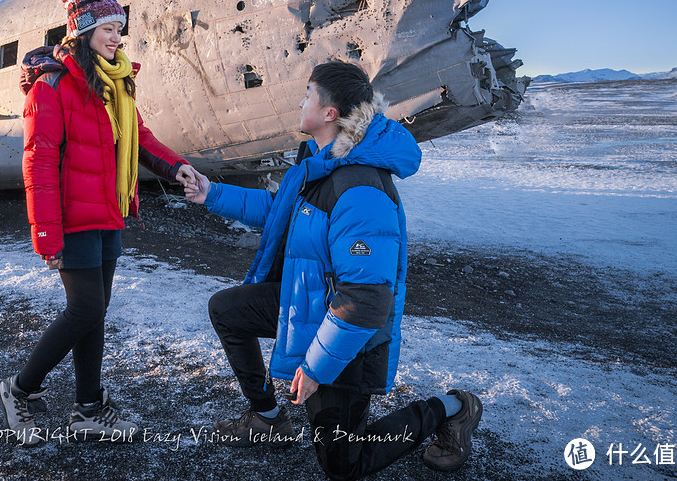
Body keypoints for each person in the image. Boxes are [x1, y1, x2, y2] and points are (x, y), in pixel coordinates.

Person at [183, 60, 482, 479]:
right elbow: (279, 212)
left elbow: (364, 300)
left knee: (344, 466)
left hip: (349, 338)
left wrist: (316, 368)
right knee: (228, 310)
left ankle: (453, 408)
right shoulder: (323, 164)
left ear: (329, 114)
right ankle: (268, 418)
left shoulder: (359, 187)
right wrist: (210, 192)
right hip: (311, 308)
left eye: (308, 93)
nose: (300, 101)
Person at [0, 0, 197, 446]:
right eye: (106, 27)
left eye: (119, 28)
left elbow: (139, 139)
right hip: (70, 218)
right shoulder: (53, 85)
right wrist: (46, 233)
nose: (115, 36)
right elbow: (39, 161)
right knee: (85, 308)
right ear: (81, 32)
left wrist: (178, 168)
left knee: (94, 312)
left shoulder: (118, 85)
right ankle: (19, 389)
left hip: (107, 213)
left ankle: (88, 410)